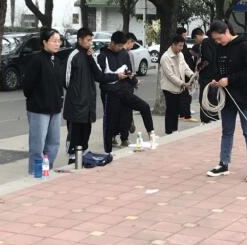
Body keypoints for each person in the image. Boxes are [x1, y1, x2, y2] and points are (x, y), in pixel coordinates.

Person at [206, 21, 247, 183]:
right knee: (227, 131)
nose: (218, 42)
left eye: (219, 38)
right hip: (227, 96)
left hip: (244, 96)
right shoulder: (219, 48)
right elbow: (218, 69)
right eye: (215, 39)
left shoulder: (244, 46)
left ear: (227, 31)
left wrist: (230, 80)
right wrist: (216, 80)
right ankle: (224, 163)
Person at [64, 28, 124, 163]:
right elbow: (66, 81)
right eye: (88, 40)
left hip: (88, 103)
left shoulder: (91, 55)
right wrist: (76, 94)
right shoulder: (73, 55)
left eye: (91, 40)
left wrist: (91, 58)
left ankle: (83, 158)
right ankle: (72, 159)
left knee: (86, 133)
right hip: (75, 104)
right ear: (80, 40)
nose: (90, 43)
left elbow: (99, 76)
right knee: (74, 135)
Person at [98, 31, 156, 152]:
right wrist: (117, 76)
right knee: (110, 123)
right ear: (112, 43)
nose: (121, 48)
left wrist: (134, 81)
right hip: (111, 94)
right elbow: (100, 78)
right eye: (119, 46)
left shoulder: (124, 53)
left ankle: (151, 135)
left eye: (122, 46)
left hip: (125, 91)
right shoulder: (102, 56)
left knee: (144, 107)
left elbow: (128, 71)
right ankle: (108, 151)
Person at [23, 28, 64, 174]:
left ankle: (47, 169)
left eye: (59, 41)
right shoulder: (36, 60)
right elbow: (27, 86)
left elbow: (59, 84)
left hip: (55, 109)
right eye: (54, 41)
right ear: (45, 42)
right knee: (38, 144)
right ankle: (36, 172)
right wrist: (37, 99)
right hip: (38, 109)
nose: (57, 44)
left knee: (53, 143)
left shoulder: (57, 61)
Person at [160, 35, 194, 134]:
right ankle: (169, 132)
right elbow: (170, 75)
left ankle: (174, 130)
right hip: (169, 88)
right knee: (171, 110)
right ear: (173, 45)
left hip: (179, 87)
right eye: (180, 46)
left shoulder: (181, 55)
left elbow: (185, 68)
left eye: (182, 46)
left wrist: (192, 75)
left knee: (176, 110)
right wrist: (183, 83)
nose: (181, 48)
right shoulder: (165, 57)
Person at [177, 27, 198, 122]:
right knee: (186, 95)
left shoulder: (183, 46)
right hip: (184, 76)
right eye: (184, 35)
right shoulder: (182, 49)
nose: (186, 37)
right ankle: (186, 115)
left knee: (184, 95)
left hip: (186, 74)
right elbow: (185, 65)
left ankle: (182, 114)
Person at [198, 30, 218, 123]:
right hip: (216, 75)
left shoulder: (205, 42)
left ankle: (205, 119)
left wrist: (199, 67)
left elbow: (207, 59)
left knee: (204, 97)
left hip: (206, 75)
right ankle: (214, 117)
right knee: (213, 97)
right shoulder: (218, 42)